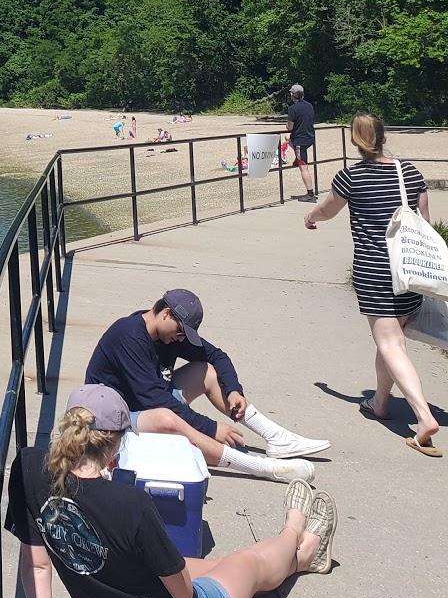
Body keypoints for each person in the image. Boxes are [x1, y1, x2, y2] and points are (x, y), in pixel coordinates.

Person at [3, 385, 337, 598]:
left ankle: (299, 557)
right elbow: (182, 595)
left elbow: (36, 566)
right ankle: (298, 539)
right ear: (116, 445)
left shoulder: (30, 470)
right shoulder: (131, 504)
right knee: (248, 562)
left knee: (217, 566)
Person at [86, 289, 329, 483]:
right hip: (110, 419)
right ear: (167, 313)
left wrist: (234, 390)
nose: (180, 340)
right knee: (167, 419)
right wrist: (211, 428)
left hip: (145, 402)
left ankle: (276, 438)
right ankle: (264, 468)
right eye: (181, 332)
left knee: (207, 372)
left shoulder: (168, 334)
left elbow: (217, 355)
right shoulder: (129, 335)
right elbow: (155, 400)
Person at [303, 113, 440, 456]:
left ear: (354, 140)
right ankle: (380, 402)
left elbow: (328, 210)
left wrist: (310, 217)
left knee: (391, 344)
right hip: (409, 271)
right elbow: (424, 220)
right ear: (383, 136)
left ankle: (423, 417)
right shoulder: (408, 172)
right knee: (388, 343)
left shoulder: (352, 176)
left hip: (375, 272)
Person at [286, 83, 317, 200]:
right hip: (310, 138)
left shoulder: (293, 108)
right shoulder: (309, 106)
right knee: (289, 140)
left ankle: (310, 194)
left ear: (293, 95)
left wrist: (287, 125)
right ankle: (297, 159)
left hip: (300, 140)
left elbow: (289, 127)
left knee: (303, 167)